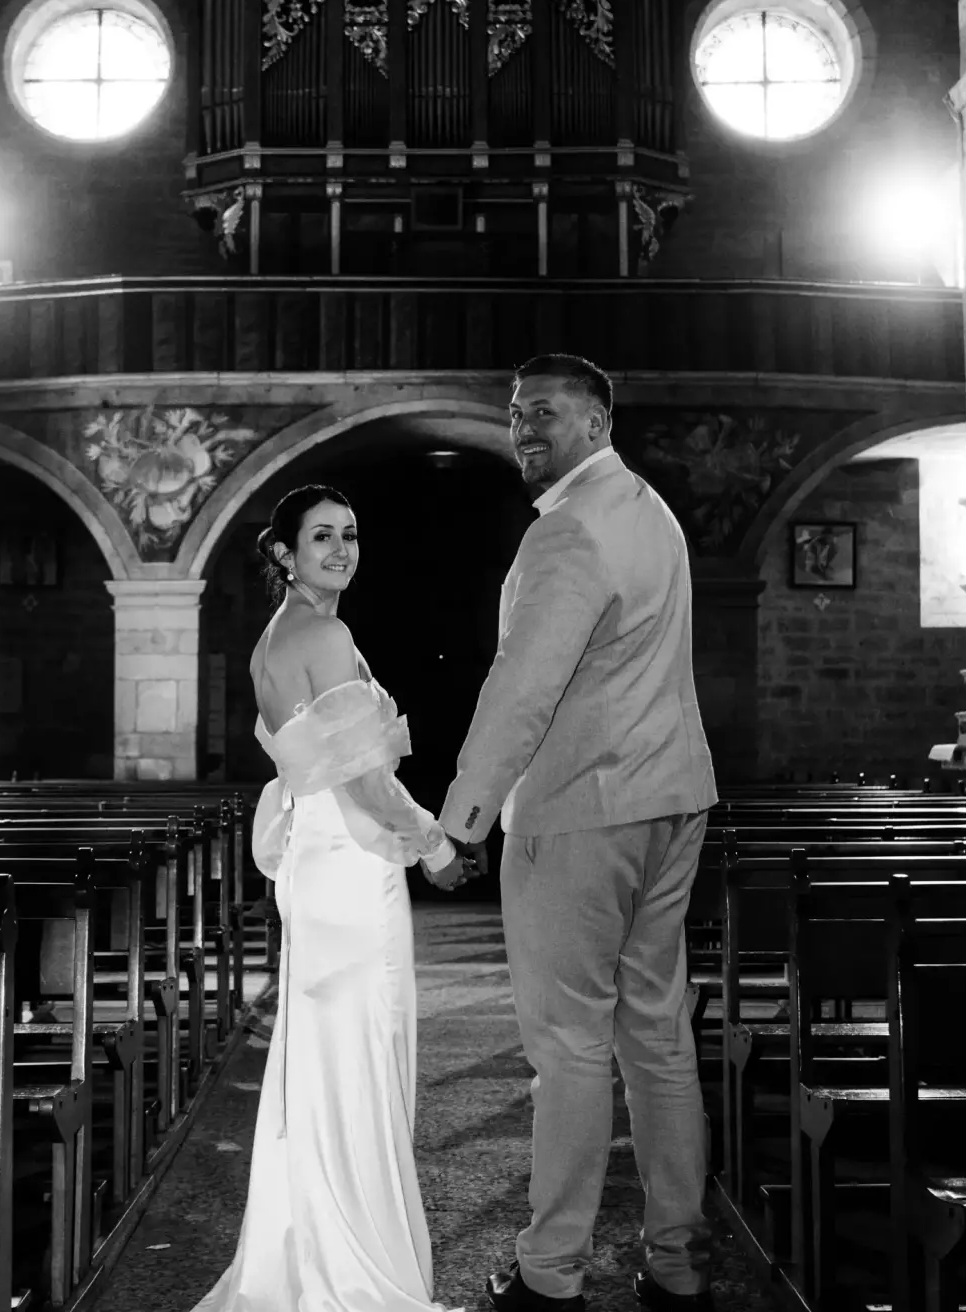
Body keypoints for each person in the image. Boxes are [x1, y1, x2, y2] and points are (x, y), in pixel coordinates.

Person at [437, 353, 718, 1312]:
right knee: (658, 1040)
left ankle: (551, 1275)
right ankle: (678, 1265)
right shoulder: (652, 512)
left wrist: (461, 821)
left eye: (546, 412)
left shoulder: (569, 531)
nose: (524, 427)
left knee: (567, 1049)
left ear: (596, 421)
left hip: (581, 809)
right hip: (671, 798)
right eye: (516, 412)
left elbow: (522, 690)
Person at [190, 483, 477, 1312]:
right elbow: (367, 782)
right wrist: (435, 845)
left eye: (350, 534)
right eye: (322, 536)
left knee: (325, 1053)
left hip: (316, 862)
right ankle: (356, 1270)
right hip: (349, 864)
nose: (342, 549)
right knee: (361, 1051)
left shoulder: (272, 641)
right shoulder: (325, 634)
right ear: (285, 554)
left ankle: (313, 1254)